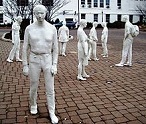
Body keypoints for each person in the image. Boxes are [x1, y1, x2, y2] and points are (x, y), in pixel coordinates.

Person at [22, 5, 58, 123]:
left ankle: (52, 111)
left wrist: (54, 64)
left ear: (46, 13)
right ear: (34, 14)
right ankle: (33, 104)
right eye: (37, 13)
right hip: (34, 58)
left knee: (50, 88)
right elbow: (24, 48)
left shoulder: (52, 28)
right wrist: (25, 65)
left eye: (42, 13)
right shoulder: (29, 29)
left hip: (47, 58)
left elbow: (55, 49)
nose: (39, 15)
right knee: (33, 85)